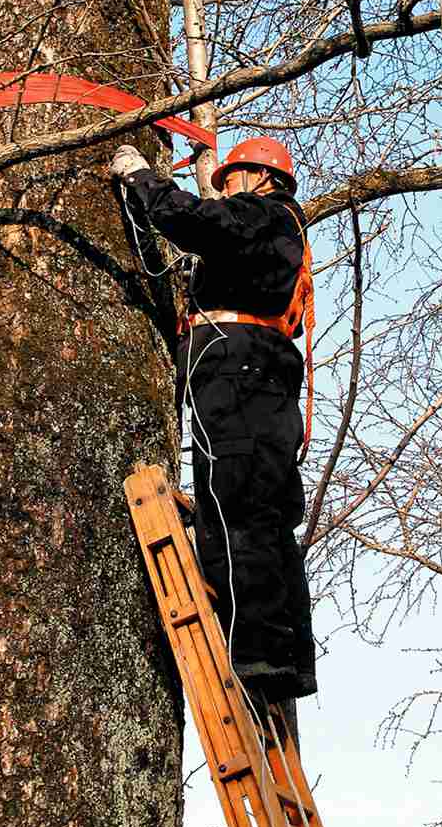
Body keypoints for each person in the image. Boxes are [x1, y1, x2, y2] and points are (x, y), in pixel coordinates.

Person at [111, 137, 316, 701]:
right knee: (268, 517)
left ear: (258, 178)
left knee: (235, 508)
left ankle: (256, 656)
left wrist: (141, 179)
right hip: (260, 372)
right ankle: (285, 656)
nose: (222, 189)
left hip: (238, 369)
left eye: (229, 181)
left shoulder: (262, 214)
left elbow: (196, 221)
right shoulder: (275, 233)